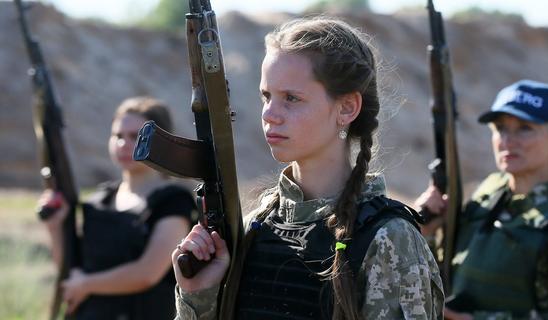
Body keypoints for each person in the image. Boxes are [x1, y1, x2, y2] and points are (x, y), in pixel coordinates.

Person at [172, 17, 444, 320]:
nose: (270, 114)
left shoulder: (389, 240)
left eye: (291, 98)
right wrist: (199, 296)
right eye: (267, 96)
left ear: (346, 108)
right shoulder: (254, 227)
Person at [416, 80, 548, 320]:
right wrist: (425, 232)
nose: (508, 140)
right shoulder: (487, 197)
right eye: (501, 128)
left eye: (525, 128)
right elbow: (445, 278)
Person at [39, 97, 195, 319]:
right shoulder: (98, 201)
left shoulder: (173, 202)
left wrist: (86, 285)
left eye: (135, 136)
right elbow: (71, 267)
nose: (123, 144)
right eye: (118, 136)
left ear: (159, 142)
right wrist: (55, 226)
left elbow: (147, 273)